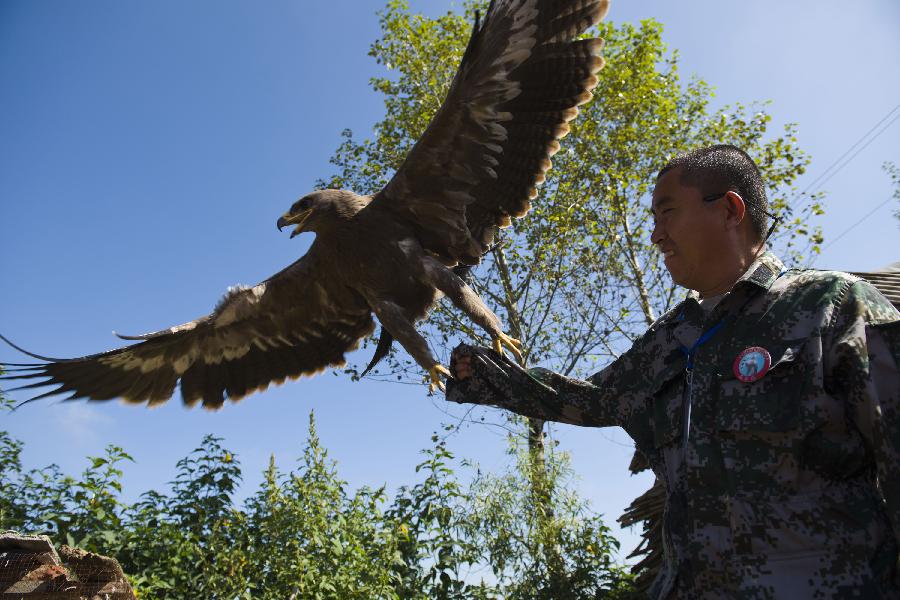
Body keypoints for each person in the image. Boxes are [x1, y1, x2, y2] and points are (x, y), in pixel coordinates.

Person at [446, 144, 900, 599]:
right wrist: (489, 376)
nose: (656, 235)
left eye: (666, 213)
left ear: (728, 209)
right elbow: (594, 400)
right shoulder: (674, 336)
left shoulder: (831, 307)